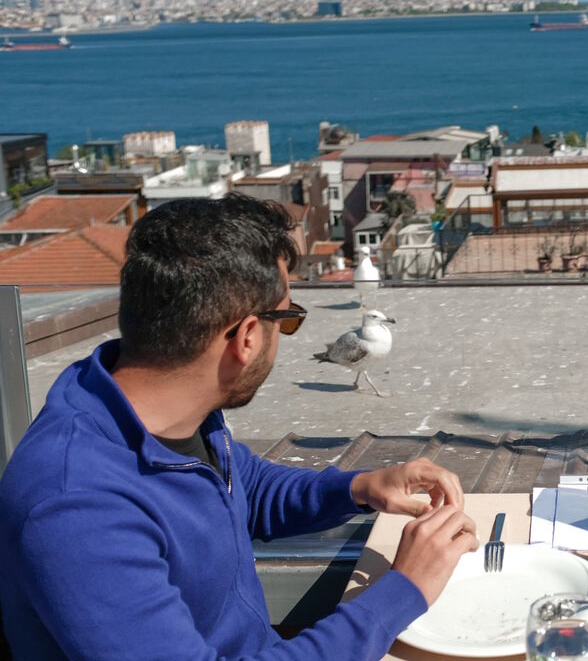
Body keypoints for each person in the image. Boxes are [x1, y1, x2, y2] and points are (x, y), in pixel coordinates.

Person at [0, 194, 479, 659]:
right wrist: (405, 590)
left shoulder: (158, 406)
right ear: (248, 337)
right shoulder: (76, 510)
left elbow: (238, 484)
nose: (285, 335)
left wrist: (358, 487)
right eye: (287, 320)